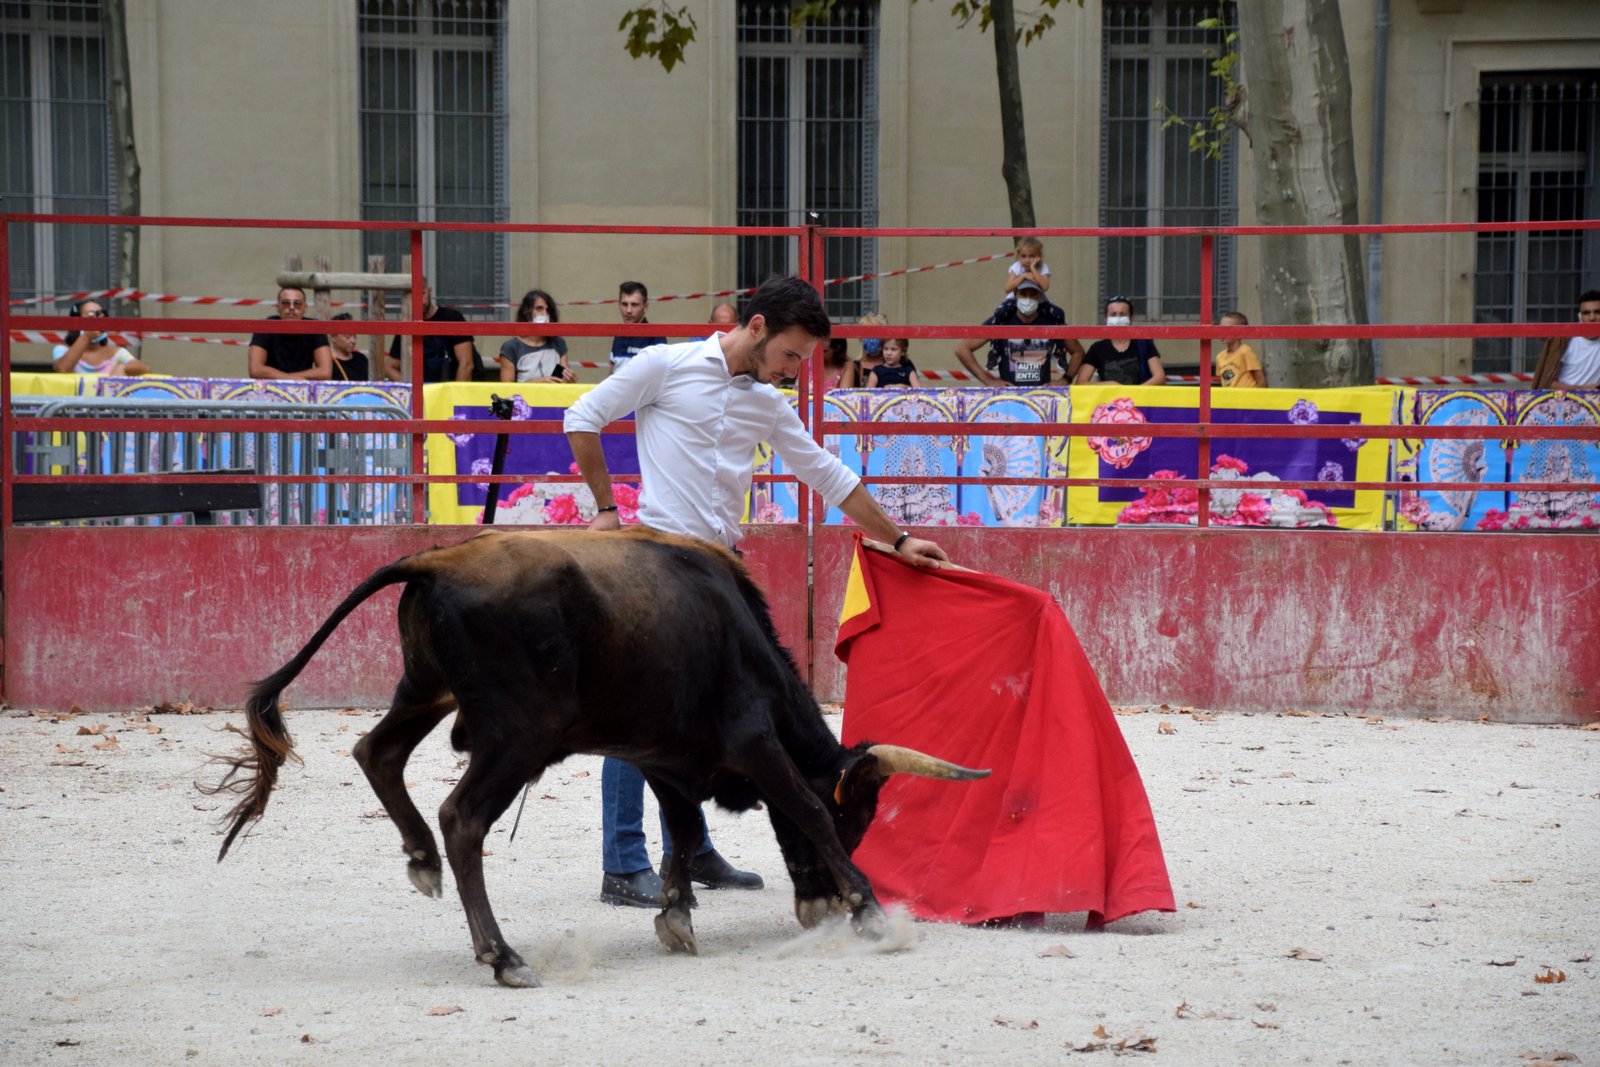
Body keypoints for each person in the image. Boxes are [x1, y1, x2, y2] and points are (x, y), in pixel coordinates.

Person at [565, 274, 951, 909]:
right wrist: (606, 508)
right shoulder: (664, 365)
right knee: (641, 712)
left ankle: (691, 851)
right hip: (657, 564)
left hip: (722, 573)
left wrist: (900, 539)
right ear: (757, 327)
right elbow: (582, 417)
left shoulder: (768, 401)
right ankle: (621, 861)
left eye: (805, 359)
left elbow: (826, 474)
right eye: (792, 354)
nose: (796, 370)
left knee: (705, 714)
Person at [953, 279, 1084, 387]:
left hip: (1042, 398)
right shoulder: (1000, 321)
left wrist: (1065, 380)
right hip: (1009, 399)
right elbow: (962, 349)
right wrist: (988, 380)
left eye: (1033, 294)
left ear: (1040, 296)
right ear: (1015, 294)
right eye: (1023, 294)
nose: (1028, 299)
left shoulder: (1052, 323)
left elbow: (1078, 352)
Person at [384, 279, 476, 383]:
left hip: (450, 389)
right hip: (425, 391)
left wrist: (455, 396)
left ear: (429, 291)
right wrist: (414, 391)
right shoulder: (407, 325)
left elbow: (466, 364)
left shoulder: (452, 318)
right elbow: (390, 367)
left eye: (422, 293)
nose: (419, 300)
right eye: (412, 297)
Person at [1076, 297, 1167, 386]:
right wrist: (1109, 385)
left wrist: (1137, 393)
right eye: (1113, 314)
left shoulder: (1144, 343)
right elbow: (1081, 382)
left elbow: (1159, 377)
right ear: (1106, 318)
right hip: (1109, 400)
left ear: (1130, 318)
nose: (1118, 318)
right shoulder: (1097, 348)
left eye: (1123, 314)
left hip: (1140, 399)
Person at [247, 286, 332, 380]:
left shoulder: (315, 327)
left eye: (297, 303)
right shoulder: (264, 326)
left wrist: (289, 378)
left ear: (305, 308)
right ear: (278, 307)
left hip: (302, 388)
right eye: (286, 303)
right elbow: (255, 369)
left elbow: (325, 372)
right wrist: (290, 378)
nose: (291, 307)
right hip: (270, 389)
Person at [51, 299, 151, 376]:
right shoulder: (62, 349)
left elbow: (145, 367)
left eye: (100, 314)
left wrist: (123, 367)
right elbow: (63, 368)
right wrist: (86, 337)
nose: (96, 320)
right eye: (90, 315)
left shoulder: (116, 352)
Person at [498, 289, 575, 383]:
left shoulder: (558, 342)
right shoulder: (511, 347)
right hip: (524, 397)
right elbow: (507, 389)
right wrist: (538, 382)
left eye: (548, 310)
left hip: (553, 396)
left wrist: (570, 379)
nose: (545, 314)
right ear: (526, 312)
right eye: (539, 308)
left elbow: (564, 381)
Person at [1532, 289, 1600, 389]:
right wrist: (1580, 389)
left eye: (1597, 312)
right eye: (1586, 313)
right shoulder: (1563, 341)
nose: (1592, 318)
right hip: (1563, 400)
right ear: (1580, 316)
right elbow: (1547, 382)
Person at [608, 281, 667, 374]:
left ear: (645, 307)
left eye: (634, 305)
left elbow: (660, 375)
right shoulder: (618, 335)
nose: (628, 310)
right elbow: (612, 373)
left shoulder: (656, 337)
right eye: (624, 304)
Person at [1215, 310, 1265, 388]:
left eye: (1227, 329)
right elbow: (1225, 382)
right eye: (1220, 328)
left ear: (1240, 331)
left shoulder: (1245, 351)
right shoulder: (1220, 356)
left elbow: (1261, 380)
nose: (1222, 332)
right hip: (1231, 398)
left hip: (1247, 398)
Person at [326, 312, 370, 382]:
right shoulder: (326, 362)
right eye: (348, 336)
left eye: (355, 336)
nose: (353, 341)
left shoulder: (361, 359)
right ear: (333, 337)